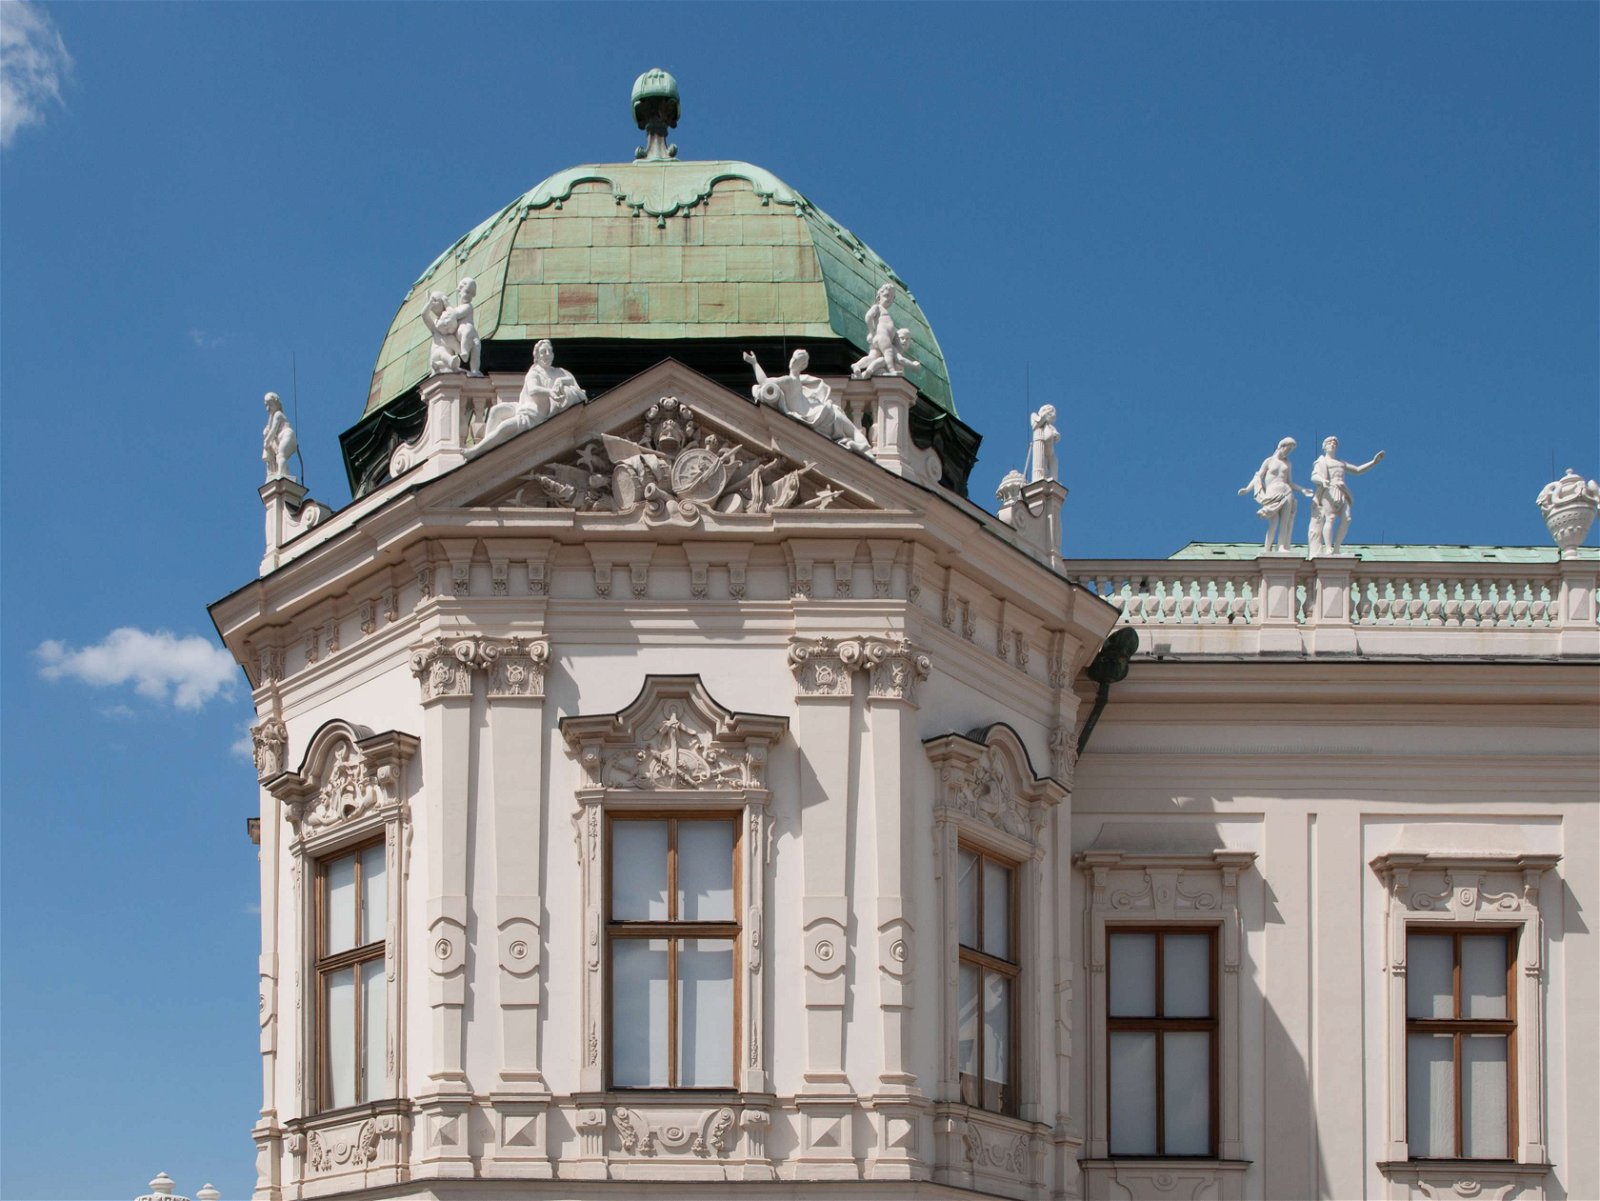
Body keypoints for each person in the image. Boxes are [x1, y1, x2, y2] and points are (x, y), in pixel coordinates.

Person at [743, 348, 871, 454]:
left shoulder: (790, 380)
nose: (792, 360)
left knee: (848, 426)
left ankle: (863, 447)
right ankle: (865, 448)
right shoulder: (799, 380)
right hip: (820, 413)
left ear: (794, 362)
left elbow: (764, 382)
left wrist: (754, 363)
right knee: (850, 427)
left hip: (814, 416)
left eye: (794, 358)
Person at [1309, 436, 1384, 554]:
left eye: (1334, 443)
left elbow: (1358, 470)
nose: (1332, 445)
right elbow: (1314, 476)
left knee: (1347, 519)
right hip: (1329, 490)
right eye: (1329, 443)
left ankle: (1337, 547)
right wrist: (1322, 481)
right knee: (1331, 518)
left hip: (1342, 490)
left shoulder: (1341, 463)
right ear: (1324, 446)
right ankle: (1328, 547)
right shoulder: (1321, 461)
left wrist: (1373, 462)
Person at [1238, 437, 1314, 552]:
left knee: (1285, 521)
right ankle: (1267, 549)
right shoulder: (1269, 461)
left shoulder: (1288, 463)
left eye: (1290, 451)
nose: (1288, 452)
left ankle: (1281, 546)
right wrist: (1247, 489)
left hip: (1286, 491)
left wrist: (1302, 490)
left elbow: (1290, 482)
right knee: (1273, 523)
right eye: (1288, 449)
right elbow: (1258, 477)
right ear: (1281, 447)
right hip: (1272, 493)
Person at [851, 284, 920, 378]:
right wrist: (872, 332)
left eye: (892, 297)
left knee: (873, 357)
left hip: (881, 339)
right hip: (882, 337)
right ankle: (892, 371)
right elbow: (868, 317)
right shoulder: (877, 307)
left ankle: (858, 366)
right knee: (888, 352)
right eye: (886, 296)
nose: (889, 299)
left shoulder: (885, 312)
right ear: (879, 296)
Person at [518, 339, 587, 418]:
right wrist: (550, 391)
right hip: (540, 413)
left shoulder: (560, 371)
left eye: (550, 351)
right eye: (543, 351)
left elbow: (572, 381)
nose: (548, 354)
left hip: (567, 412)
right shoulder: (534, 373)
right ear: (537, 356)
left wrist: (560, 380)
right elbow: (532, 389)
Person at [446, 278, 482, 376]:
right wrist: (447, 305)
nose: (468, 296)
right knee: (468, 330)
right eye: (466, 292)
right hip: (463, 331)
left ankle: (475, 369)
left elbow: (454, 313)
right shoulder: (465, 307)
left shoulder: (468, 306)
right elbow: (456, 314)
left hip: (471, 333)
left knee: (477, 346)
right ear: (460, 292)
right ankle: (465, 352)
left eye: (471, 294)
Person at [421, 291, 462, 374]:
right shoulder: (435, 330)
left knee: (443, 353)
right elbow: (424, 315)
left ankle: (451, 363)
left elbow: (460, 352)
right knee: (441, 351)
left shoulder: (451, 338)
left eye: (435, 300)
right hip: (435, 358)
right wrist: (429, 303)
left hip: (445, 367)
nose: (433, 303)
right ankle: (450, 361)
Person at [262, 392, 298, 482]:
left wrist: (266, 442)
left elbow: (273, 431)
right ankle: (283, 473)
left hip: (288, 436)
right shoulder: (273, 417)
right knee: (280, 457)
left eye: (269, 405)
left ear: (275, 403)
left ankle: (280, 476)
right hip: (284, 439)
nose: (268, 409)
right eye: (266, 405)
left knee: (280, 455)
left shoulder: (278, 414)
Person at [1029, 405, 1060, 483]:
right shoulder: (1034, 415)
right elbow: (1034, 426)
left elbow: (1056, 434)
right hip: (1041, 449)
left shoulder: (1050, 427)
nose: (1052, 419)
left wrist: (1056, 436)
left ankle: (1053, 481)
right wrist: (1044, 417)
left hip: (1050, 452)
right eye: (1051, 415)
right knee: (1042, 467)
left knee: (1054, 463)